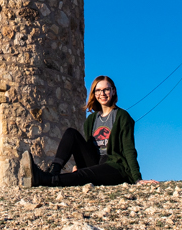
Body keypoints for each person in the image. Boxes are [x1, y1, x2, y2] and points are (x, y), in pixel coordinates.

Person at [21, 75, 156, 187]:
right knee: (71, 133)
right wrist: (78, 164)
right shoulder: (91, 119)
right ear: (94, 93)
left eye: (106, 90)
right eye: (98, 91)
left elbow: (129, 148)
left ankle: (44, 180)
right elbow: (87, 146)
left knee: (82, 175)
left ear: (113, 91)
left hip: (114, 166)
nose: (102, 94)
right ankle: (53, 172)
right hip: (96, 161)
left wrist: (137, 178)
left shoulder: (122, 116)